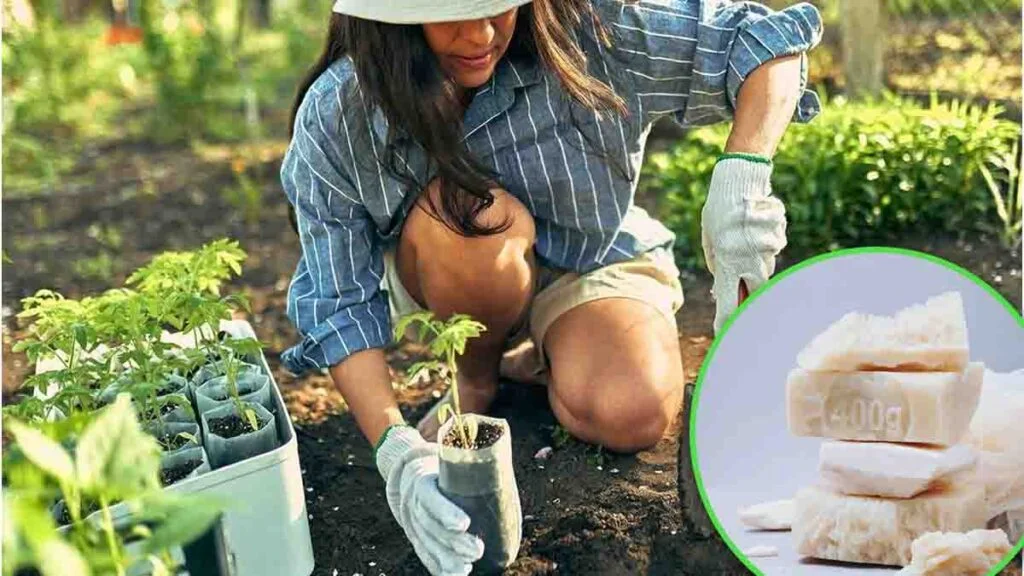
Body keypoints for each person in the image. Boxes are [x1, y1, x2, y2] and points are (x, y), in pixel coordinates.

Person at [281, 0, 821, 573]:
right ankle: (477, 379)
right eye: (453, 15)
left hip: (590, 258)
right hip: (456, 270)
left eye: (499, 7)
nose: (481, 34)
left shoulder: (594, 26)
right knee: (474, 215)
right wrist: (396, 451)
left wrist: (742, 176)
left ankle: (540, 355)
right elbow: (339, 301)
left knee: (631, 411)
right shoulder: (342, 111)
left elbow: (763, 43)